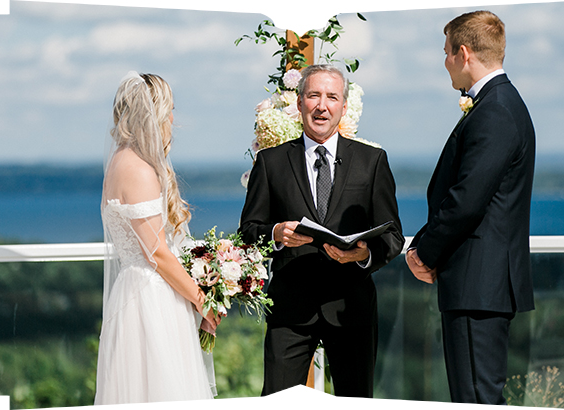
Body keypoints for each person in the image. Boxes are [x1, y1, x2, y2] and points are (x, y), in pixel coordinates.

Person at [240, 64, 403, 397]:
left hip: (351, 310)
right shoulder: (270, 163)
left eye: (331, 97)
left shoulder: (372, 161)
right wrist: (275, 234)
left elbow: (393, 236)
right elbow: (248, 232)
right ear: (299, 103)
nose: (322, 105)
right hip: (289, 311)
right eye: (313, 95)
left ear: (343, 106)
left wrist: (363, 255)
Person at [405, 10, 535, 404]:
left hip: (479, 287)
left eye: (445, 52)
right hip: (481, 286)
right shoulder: (500, 103)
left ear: (463, 53)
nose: (444, 61)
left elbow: (466, 200)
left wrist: (422, 252)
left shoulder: (494, 110)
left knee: (476, 398)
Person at [95, 72, 220, 404]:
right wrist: (202, 300)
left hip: (136, 290)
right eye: (171, 110)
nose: (174, 119)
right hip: (151, 300)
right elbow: (158, 253)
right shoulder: (138, 169)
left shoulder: (121, 162)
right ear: (156, 114)